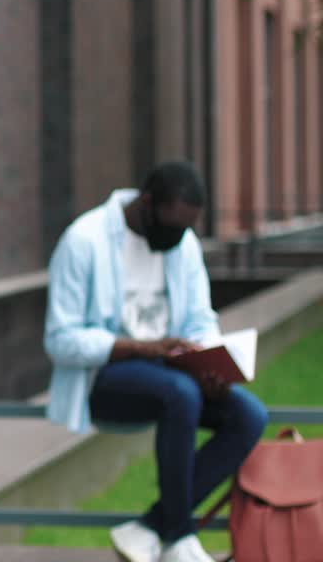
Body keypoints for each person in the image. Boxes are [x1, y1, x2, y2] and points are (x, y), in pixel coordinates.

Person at [43, 162, 267, 562]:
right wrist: (140, 348)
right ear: (147, 204)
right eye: (173, 226)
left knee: (249, 415)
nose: (179, 238)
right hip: (104, 380)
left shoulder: (182, 244)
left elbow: (200, 318)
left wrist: (210, 361)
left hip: (173, 376)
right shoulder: (84, 240)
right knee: (179, 393)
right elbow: (60, 340)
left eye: (187, 229)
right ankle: (180, 537)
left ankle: (150, 528)